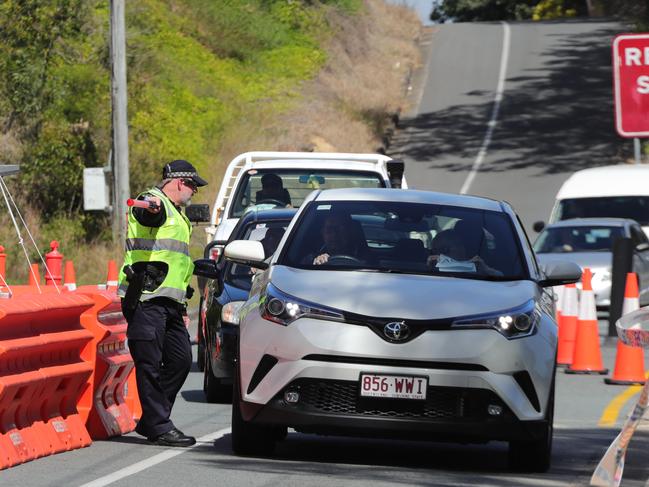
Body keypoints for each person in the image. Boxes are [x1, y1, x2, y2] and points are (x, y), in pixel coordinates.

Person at [117, 159, 207, 447]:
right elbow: (147, 211)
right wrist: (151, 208)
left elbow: (176, 263)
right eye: (192, 185)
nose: (194, 191)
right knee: (150, 364)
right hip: (145, 297)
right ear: (180, 182)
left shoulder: (179, 215)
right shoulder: (152, 201)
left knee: (181, 361)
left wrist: (181, 308)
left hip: (169, 303)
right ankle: (159, 426)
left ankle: (152, 420)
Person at [428, 228, 502, 276]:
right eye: (444, 248)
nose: (459, 249)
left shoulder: (476, 266)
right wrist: (429, 268)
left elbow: (501, 278)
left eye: (459, 244)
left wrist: (486, 269)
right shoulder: (432, 268)